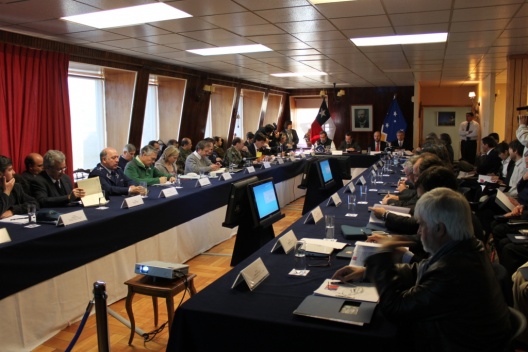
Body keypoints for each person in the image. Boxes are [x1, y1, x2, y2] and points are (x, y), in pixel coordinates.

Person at [333, 187, 511, 351]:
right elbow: (422, 269)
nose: (418, 232)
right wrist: (367, 272)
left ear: (440, 229)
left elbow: (395, 309)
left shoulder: (453, 271)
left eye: (422, 225)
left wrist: (382, 256)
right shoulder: (467, 247)